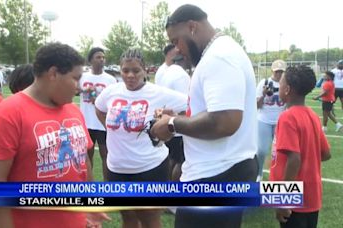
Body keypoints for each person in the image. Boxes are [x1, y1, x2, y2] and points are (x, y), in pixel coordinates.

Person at [0, 43, 110, 228]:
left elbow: (83, 162)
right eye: (75, 78)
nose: (79, 87)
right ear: (53, 73)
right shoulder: (8, 114)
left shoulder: (74, 110)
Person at [150, 4, 258, 228]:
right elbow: (212, 112)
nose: (177, 49)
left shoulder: (219, 57)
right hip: (222, 169)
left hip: (215, 175)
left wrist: (172, 124)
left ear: (192, 27)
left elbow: (225, 121)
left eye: (176, 41)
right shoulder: (220, 52)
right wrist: (181, 116)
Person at [95, 48, 187, 228]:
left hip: (150, 168)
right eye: (125, 71)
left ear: (145, 70)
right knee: (128, 217)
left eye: (135, 70)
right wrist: (114, 127)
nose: (130, 75)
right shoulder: (111, 91)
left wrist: (169, 124)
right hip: (117, 169)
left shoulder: (158, 93)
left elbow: (190, 106)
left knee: (149, 218)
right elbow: (99, 109)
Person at [270, 65, 331, 228]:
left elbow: (294, 158)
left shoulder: (287, 117)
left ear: (287, 89)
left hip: (294, 197)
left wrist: (283, 199)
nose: (279, 88)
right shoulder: (312, 115)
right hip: (312, 196)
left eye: (281, 84)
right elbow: (325, 154)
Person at [79, 47, 117, 181]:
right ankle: (88, 185)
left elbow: (114, 101)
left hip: (102, 122)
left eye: (103, 57)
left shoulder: (111, 79)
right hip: (86, 122)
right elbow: (74, 91)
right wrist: (84, 90)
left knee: (105, 154)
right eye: (98, 57)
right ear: (90, 60)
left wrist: (100, 101)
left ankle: (107, 186)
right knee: (86, 156)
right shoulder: (83, 77)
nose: (102, 60)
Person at [157, 53, 190, 182]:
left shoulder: (167, 72)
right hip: (177, 125)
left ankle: (167, 185)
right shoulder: (182, 76)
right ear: (184, 59)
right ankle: (174, 188)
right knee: (180, 161)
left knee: (171, 158)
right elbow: (185, 103)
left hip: (165, 122)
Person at [256, 59, 287, 180]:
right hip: (264, 120)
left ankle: (277, 174)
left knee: (280, 152)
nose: (278, 74)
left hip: (280, 121)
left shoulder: (286, 84)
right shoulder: (264, 82)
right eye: (276, 71)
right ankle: (259, 173)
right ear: (272, 71)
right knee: (262, 150)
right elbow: (256, 106)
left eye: (281, 72)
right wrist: (263, 94)